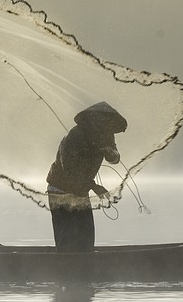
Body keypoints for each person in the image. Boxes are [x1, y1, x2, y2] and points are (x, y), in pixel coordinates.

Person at [46, 101, 127, 252]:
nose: (105, 125)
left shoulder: (106, 136)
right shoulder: (75, 135)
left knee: (86, 239)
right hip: (60, 191)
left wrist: (110, 153)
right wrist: (93, 186)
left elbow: (115, 158)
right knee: (67, 241)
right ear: (93, 120)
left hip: (81, 191)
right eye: (102, 121)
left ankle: (83, 265)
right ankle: (65, 267)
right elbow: (69, 169)